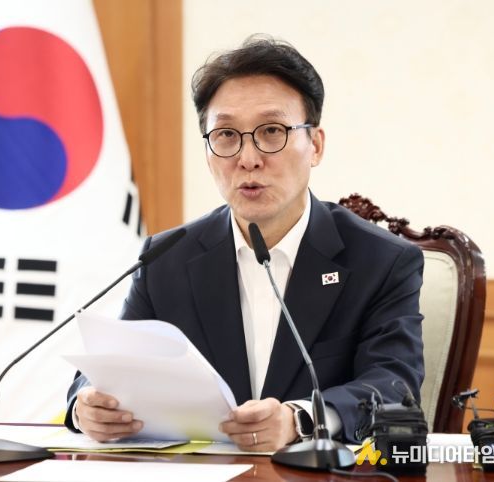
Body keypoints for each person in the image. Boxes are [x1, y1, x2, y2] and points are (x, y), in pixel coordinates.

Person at [65, 35, 424, 451]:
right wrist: (87, 406)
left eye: (271, 131)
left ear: (315, 146)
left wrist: (300, 419)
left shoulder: (381, 261)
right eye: (226, 135)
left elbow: (394, 384)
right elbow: (110, 367)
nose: (248, 158)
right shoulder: (166, 258)